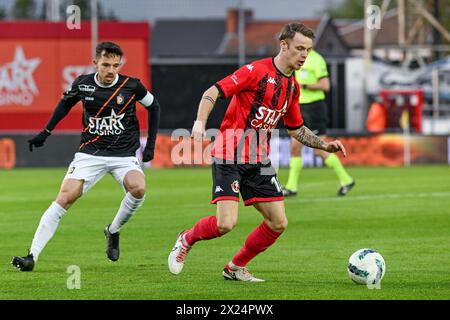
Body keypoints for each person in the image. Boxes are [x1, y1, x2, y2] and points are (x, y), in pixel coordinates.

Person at [167, 23, 347, 282]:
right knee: (225, 224)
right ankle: (186, 238)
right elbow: (212, 92)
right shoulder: (256, 71)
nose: (304, 55)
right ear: (283, 45)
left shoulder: (293, 87)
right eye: (299, 48)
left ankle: (235, 267)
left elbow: (296, 129)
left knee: (278, 222)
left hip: (258, 161)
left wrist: (325, 145)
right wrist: (199, 123)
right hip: (229, 154)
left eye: (308, 50)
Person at [11, 41, 160, 271]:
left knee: (139, 188)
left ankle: (113, 230)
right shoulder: (83, 84)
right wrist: (46, 132)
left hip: (123, 155)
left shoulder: (132, 86)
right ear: (95, 63)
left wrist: (150, 145)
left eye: (116, 65)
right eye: (106, 64)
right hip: (90, 153)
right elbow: (64, 105)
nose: (111, 70)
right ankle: (31, 256)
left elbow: (154, 106)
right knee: (65, 197)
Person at [282, 49, 355, 197]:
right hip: (299, 107)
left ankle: (346, 179)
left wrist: (305, 86)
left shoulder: (317, 59)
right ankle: (292, 187)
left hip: (314, 108)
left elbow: (325, 85)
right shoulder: (295, 58)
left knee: (319, 149)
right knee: (295, 147)